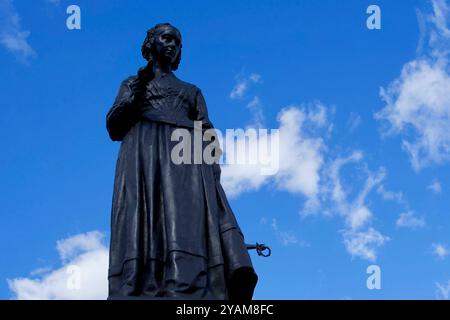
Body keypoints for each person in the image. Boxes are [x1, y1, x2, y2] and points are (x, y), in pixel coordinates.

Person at [106, 22, 257, 299]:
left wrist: (210, 170)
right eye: (167, 38)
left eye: (178, 42)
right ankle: (143, 282)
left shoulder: (191, 91)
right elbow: (113, 126)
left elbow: (208, 133)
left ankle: (186, 283)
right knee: (146, 220)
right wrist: (135, 96)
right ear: (151, 43)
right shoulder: (132, 83)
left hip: (185, 161)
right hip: (144, 155)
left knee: (184, 223)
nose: (173, 45)